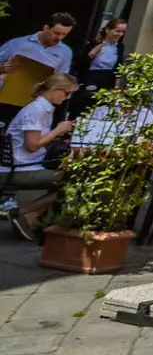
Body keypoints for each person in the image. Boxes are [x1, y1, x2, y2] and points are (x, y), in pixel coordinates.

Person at [5, 73, 80, 239]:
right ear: (55, 90)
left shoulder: (44, 108)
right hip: (20, 167)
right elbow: (32, 145)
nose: (67, 98)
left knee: (71, 176)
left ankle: (27, 217)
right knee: (73, 182)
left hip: (27, 163)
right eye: (66, 93)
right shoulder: (37, 109)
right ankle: (26, 215)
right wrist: (57, 130)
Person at [78, 19, 127, 105]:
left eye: (122, 32)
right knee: (88, 103)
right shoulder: (94, 44)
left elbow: (118, 67)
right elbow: (80, 64)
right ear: (108, 30)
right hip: (92, 77)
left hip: (108, 79)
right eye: (117, 31)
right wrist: (91, 54)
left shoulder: (120, 47)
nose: (120, 34)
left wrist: (116, 87)